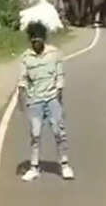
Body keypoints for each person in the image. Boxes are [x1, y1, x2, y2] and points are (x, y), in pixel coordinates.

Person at [18, 21, 75, 181]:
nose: (37, 44)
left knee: (58, 131)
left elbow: (60, 77)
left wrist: (58, 96)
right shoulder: (26, 58)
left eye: (39, 40)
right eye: (34, 41)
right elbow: (22, 80)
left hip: (51, 99)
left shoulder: (54, 54)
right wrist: (20, 99)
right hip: (35, 100)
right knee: (35, 134)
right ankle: (34, 167)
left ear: (44, 39)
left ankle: (64, 165)